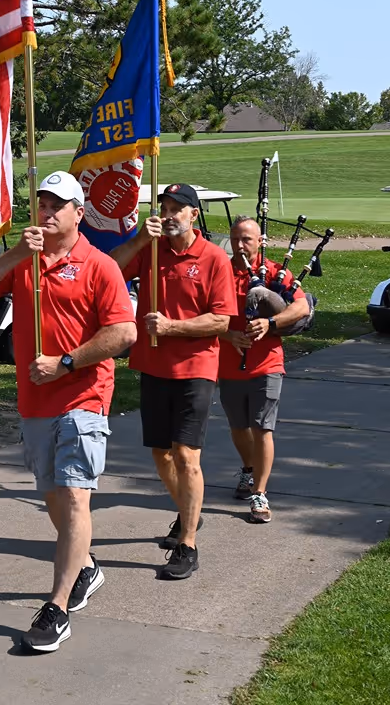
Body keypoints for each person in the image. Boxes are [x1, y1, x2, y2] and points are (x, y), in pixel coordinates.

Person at [0, 171, 136, 653]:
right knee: (54, 496)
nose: (47, 212)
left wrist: (65, 362)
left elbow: (123, 334)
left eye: (58, 204)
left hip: (84, 396)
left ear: (80, 213)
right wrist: (18, 254)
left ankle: (56, 607)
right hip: (35, 400)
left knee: (76, 495)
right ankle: (87, 566)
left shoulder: (100, 266)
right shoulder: (25, 262)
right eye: (42, 203)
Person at [111, 183, 237, 581]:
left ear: (194, 215)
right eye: (164, 207)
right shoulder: (149, 250)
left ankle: (187, 544)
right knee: (161, 456)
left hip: (196, 368)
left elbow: (221, 320)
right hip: (153, 366)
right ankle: (188, 516)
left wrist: (172, 327)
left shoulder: (214, 258)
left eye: (177, 209)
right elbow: (109, 270)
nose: (168, 214)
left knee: (186, 454)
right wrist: (136, 240)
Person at [218, 216, 310, 524]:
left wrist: (270, 323)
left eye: (246, 239)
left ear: (260, 241)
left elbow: (301, 308)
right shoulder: (220, 271)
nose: (240, 245)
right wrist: (227, 335)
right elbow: (202, 313)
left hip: (267, 363)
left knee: (262, 428)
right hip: (229, 363)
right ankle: (248, 468)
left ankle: (260, 492)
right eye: (235, 238)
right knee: (238, 427)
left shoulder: (272, 273)